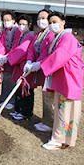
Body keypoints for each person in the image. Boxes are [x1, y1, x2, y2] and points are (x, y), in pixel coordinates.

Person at [34, 11, 83, 150]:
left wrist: (40, 65)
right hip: (64, 77)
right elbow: (49, 53)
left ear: (63, 22)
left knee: (65, 109)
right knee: (62, 108)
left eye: (55, 22)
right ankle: (63, 137)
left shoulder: (67, 38)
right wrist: (37, 63)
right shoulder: (58, 37)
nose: (52, 25)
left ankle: (59, 139)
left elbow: (59, 56)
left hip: (69, 77)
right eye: (50, 23)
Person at [24, 9, 55, 131]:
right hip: (38, 66)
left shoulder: (51, 34)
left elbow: (46, 51)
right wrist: (29, 60)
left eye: (43, 18)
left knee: (49, 96)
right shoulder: (38, 34)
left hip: (47, 68)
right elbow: (31, 49)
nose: (40, 21)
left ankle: (49, 122)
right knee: (44, 94)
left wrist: (38, 63)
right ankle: (45, 120)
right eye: (39, 18)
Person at [0, 14, 35, 120]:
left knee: (26, 90)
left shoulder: (30, 36)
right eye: (20, 24)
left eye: (24, 24)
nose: (21, 26)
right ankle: (18, 109)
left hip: (25, 65)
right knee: (19, 89)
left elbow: (22, 50)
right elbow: (15, 47)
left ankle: (25, 112)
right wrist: (6, 56)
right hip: (19, 65)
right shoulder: (21, 35)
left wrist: (9, 58)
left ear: (29, 25)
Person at [0, 10, 21, 109]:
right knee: (5, 79)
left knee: (12, 79)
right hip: (5, 59)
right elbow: (2, 44)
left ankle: (11, 101)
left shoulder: (18, 31)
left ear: (13, 20)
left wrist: (8, 56)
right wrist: (1, 55)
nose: (6, 22)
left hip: (13, 59)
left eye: (8, 20)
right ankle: (4, 99)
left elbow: (16, 45)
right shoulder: (4, 31)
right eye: (4, 20)